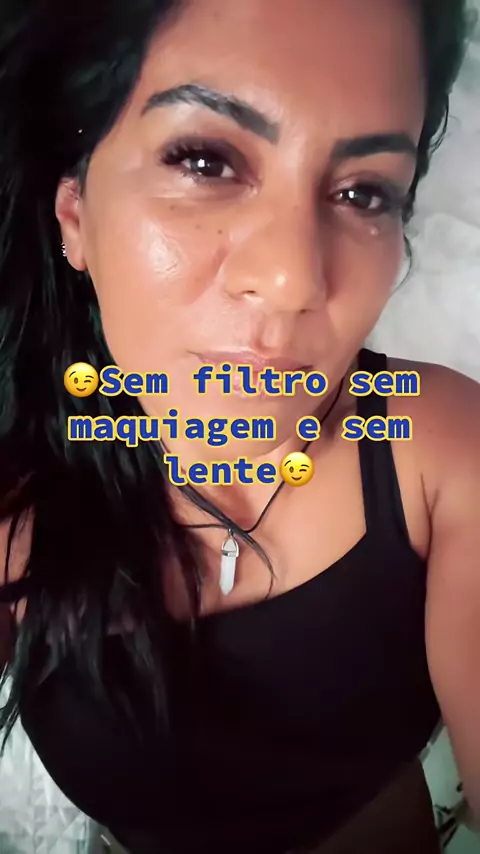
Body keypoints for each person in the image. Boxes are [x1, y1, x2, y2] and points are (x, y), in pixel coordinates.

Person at [0, 1, 477, 852]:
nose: (295, 279)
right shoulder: (17, 497)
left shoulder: (435, 448)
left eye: (364, 192)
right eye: (205, 160)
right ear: (75, 215)